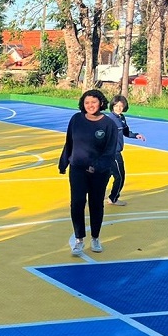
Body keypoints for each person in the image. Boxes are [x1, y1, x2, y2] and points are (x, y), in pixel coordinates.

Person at [58, 89, 118, 256]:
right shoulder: (76, 119)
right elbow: (69, 142)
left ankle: (95, 238)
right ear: (82, 104)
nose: (90, 105)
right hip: (77, 168)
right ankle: (79, 239)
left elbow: (110, 151)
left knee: (96, 203)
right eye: (87, 103)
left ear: (101, 103)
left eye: (94, 102)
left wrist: (97, 166)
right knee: (77, 203)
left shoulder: (108, 124)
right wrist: (63, 162)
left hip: (99, 172)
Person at [106, 94, 146, 206]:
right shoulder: (109, 120)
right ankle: (113, 198)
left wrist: (136, 135)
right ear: (112, 106)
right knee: (120, 176)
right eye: (116, 106)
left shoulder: (122, 118)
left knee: (106, 176)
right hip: (112, 153)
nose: (118, 108)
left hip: (117, 152)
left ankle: (95, 195)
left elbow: (126, 132)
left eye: (121, 106)